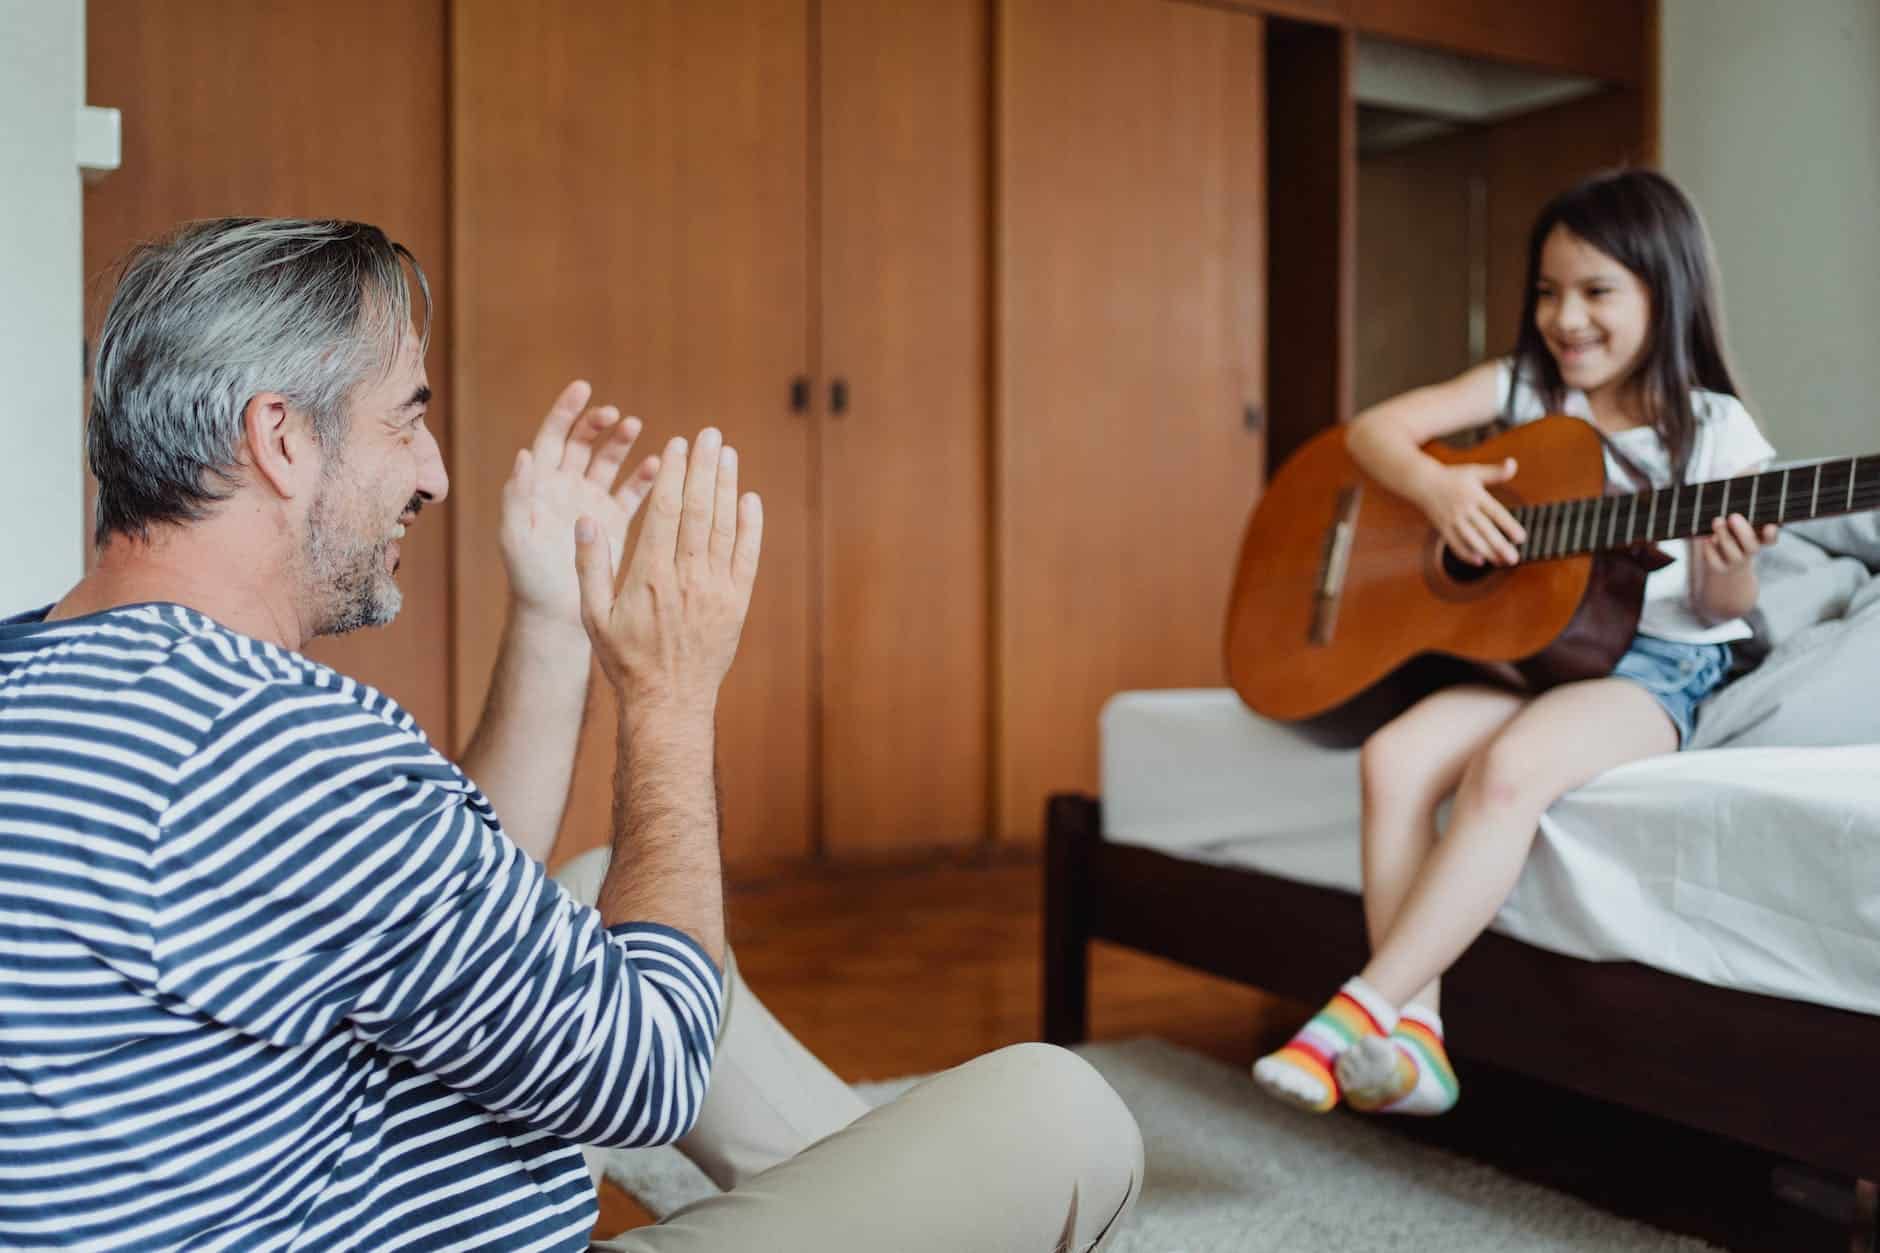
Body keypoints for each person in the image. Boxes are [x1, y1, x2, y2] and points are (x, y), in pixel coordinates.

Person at [0, 217, 1140, 1251]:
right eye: (408, 415)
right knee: (1061, 1112)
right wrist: (670, 693)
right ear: (280, 440)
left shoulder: (50, 676)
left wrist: (549, 609)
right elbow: (643, 1073)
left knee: (593, 884)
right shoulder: (268, 742)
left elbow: (428, 899)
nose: (435, 473)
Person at [1251, 170, 1778, 1118]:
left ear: (1667, 292)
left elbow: (1719, 604)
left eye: (1595, 291)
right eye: (1547, 290)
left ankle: (1356, 1013)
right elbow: (1372, 432)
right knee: (1393, 756)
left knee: (1506, 772)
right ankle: (1421, 1037)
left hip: (1650, 663)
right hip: (1529, 650)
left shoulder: (1716, 430)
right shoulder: (1525, 387)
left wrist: (1728, 561)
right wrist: (1439, 490)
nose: (1564, 317)